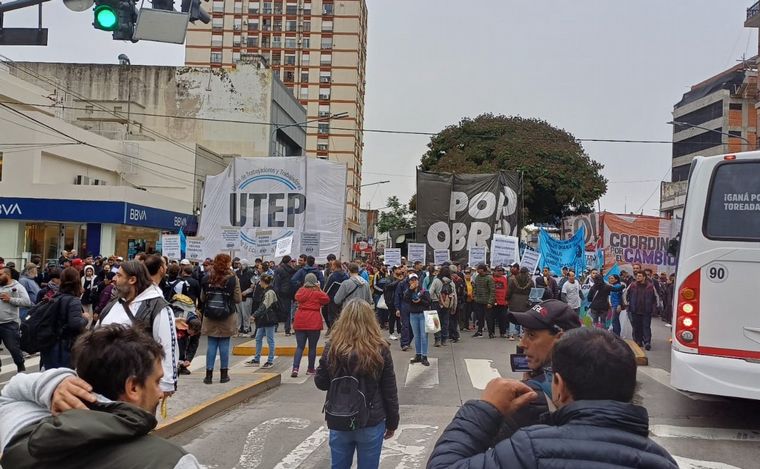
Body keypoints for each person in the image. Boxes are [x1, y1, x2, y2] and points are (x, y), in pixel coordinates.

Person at [427, 327, 678, 469]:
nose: (524, 343)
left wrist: (485, 410)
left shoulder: (530, 449)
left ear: (559, 387)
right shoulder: (662, 461)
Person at [0, 324, 202, 468]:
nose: (161, 393)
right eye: (157, 382)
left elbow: (10, 394)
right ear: (132, 387)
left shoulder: (23, 438)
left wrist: (56, 383)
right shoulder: (173, 461)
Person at [315, 299, 400, 469]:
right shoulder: (380, 348)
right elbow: (389, 390)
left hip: (339, 416)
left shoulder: (333, 346)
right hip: (371, 418)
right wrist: (392, 422)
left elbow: (321, 382)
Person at [96, 260, 178, 396]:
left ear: (132, 280)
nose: (114, 279)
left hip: (138, 383)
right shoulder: (112, 304)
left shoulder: (158, 307)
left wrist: (166, 383)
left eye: (119, 275)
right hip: (105, 381)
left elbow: (168, 345)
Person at [199, 253, 242, 384]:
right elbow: (238, 299)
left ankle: (208, 375)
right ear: (228, 263)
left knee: (211, 344)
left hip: (210, 315)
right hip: (227, 315)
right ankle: (224, 375)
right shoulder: (233, 279)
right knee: (224, 344)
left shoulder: (207, 278)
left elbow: (202, 298)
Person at [40, 267, 89, 370]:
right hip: (65, 346)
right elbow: (75, 324)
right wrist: (85, 318)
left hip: (50, 343)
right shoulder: (73, 300)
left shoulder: (55, 296)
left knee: (51, 378)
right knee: (64, 378)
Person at [291, 273, 330, 377]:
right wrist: (319, 288)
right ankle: (311, 369)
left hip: (300, 319)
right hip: (313, 319)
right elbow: (326, 299)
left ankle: (295, 368)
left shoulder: (301, 291)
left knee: (299, 346)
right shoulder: (317, 293)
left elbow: (296, 297)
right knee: (312, 347)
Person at [0, 266, 31, 374]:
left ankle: (20, 367)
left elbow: (27, 302)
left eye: (0, 275)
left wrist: (10, 299)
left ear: (7, 275)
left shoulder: (18, 287)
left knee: (13, 348)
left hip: (9, 324)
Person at [246, 274, 278, 369]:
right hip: (263, 319)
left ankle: (270, 361)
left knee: (270, 340)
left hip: (269, 319)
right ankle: (256, 359)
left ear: (263, 282)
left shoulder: (270, 292)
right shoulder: (266, 291)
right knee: (258, 338)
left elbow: (264, 306)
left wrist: (254, 315)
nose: (259, 283)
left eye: (260, 281)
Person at [625, 271, 659, 350]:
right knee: (637, 327)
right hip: (635, 310)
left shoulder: (650, 286)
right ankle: (638, 341)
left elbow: (656, 297)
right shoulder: (632, 285)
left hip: (646, 310)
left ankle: (647, 342)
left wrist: (655, 308)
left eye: (640, 276)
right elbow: (625, 295)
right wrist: (627, 304)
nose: (638, 277)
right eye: (637, 276)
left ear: (644, 277)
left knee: (646, 326)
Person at [403, 273, 432, 366]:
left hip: (423, 314)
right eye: (411, 280)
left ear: (418, 280)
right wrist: (410, 291)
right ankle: (418, 355)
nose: (413, 282)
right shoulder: (408, 291)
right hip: (413, 315)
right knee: (417, 336)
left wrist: (420, 301)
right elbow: (406, 300)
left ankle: (424, 356)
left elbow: (428, 302)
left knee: (424, 336)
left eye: (415, 280)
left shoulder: (423, 290)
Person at [273, 256, 297, 334]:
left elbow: (276, 281)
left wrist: (276, 291)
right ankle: (287, 329)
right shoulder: (292, 270)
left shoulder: (278, 270)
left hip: (280, 292)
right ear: (289, 262)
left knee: (277, 309)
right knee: (288, 311)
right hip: (289, 292)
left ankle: (275, 327)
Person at [472, 264, 495, 338]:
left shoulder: (489, 278)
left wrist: (490, 302)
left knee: (489, 318)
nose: (477, 270)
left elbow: (492, 291)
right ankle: (479, 331)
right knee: (479, 317)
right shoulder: (477, 277)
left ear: (483, 269)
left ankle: (491, 333)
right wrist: (475, 296)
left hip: (487, 302)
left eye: (479, 269)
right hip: (478, 301)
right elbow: (475, 288)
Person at [325, 260, 348, 330]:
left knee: (332, 318)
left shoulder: (333, 276)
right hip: (343, 299)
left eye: (332, 265)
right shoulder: (345, 275)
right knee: (341, 317)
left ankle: (334, 334)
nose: (331, 266)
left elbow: (327, 289)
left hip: (332, 300)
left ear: (335, 266)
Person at [235, 259, 256, 336]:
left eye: (240, 264)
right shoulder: (237, 273)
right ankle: (239, 328)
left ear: (244, 265)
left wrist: (246, 292)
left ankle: (246, 329)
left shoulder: (251, 273)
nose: (238, 265)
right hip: (238, 296)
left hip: (247, 297)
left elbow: (253, 286)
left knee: (245, 314)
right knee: (239, 314)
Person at [491, 266, 509, 338]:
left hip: (503, 302)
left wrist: (507, 299)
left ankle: (503, 332)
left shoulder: (504, 279)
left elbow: (507, 290)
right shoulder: (491, 279)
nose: (499, 272)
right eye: (498, 270)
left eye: (501, 271)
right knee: (492, 318)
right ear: (494, 271)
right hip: (494, 302)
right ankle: (492, 332)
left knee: (503, 318)